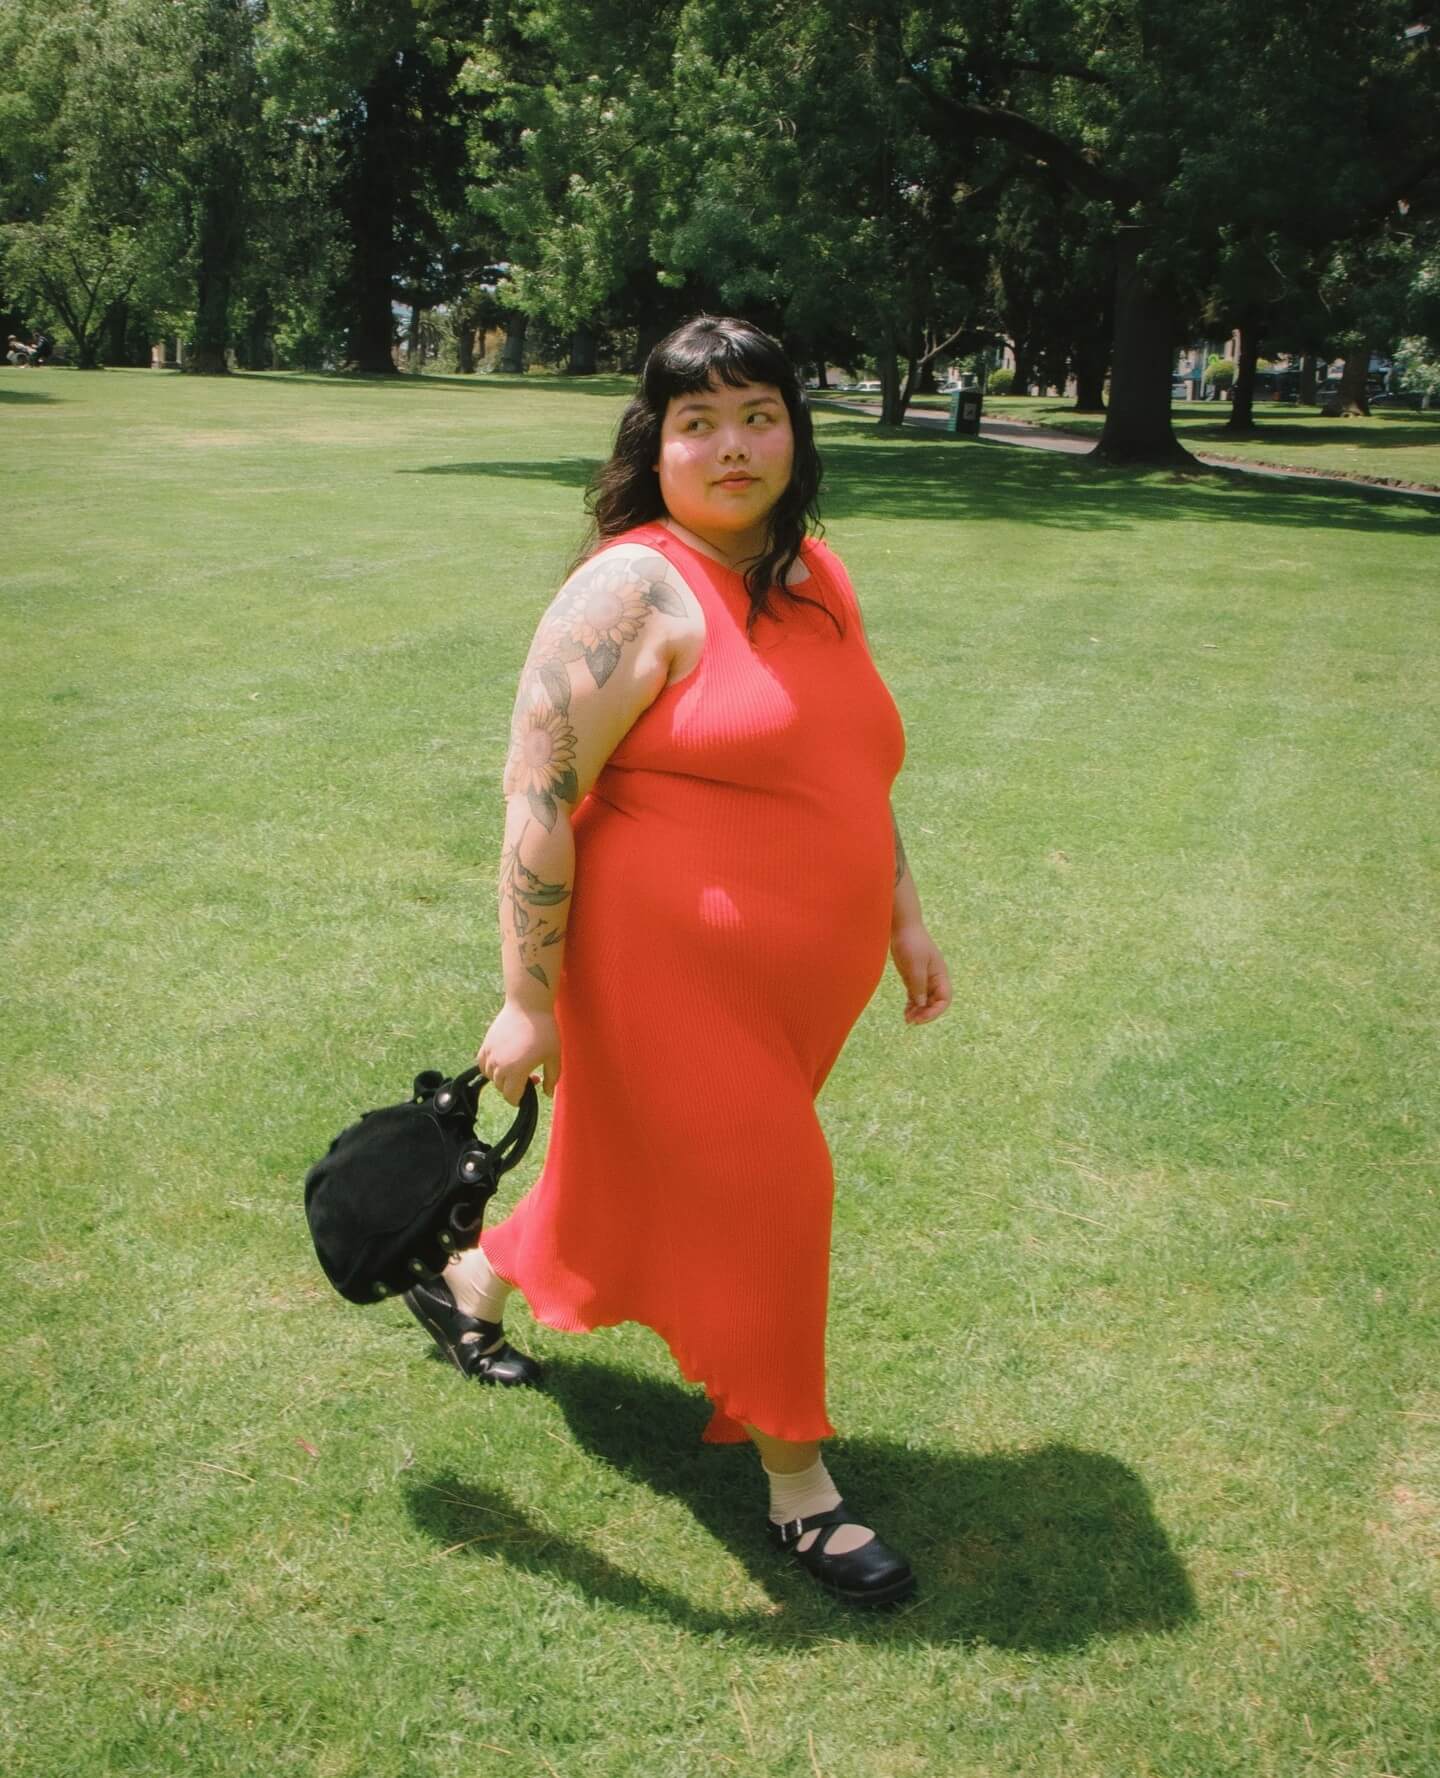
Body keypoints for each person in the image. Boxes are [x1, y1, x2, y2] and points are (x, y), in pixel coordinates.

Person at [402, 315, 953, 1607]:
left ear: (796, 432)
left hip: (794, 989)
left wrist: (903, 914)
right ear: (655, 446)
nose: (733, 445)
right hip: (658, 973)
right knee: (774, 1194)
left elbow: (853, 765)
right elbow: (538, 797)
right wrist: (528, 997)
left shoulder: (815, 572)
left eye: (760, 414)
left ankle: (471, 1276)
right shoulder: (628, 593)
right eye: (698, 423)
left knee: (640, 1174)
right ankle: (802, 1491)